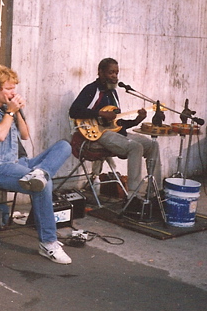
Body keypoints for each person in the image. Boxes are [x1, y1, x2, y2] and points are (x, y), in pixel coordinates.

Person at [0, 65, 73, 264]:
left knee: (64, 146)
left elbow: (25, 136)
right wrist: (9, 112)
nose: (13, 92)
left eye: (14, 87)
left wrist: (17, 112)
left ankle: (40, 174)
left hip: (23, 162)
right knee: (43, 186)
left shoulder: (8, 109)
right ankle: (48, 243)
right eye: (9, 88)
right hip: (2, 168)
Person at [69, 58, 162, 207]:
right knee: (135, 147)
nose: (114, 76)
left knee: (152, 145)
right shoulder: (92, 90)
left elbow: (117, 123)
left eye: (116, 72)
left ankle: (155, 193)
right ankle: (133, 197)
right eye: (111, 72)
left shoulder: (113, 93)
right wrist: (100, 113)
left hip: (114, 133)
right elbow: (74, 111)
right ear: (100, 72)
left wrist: (137, 120)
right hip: (97, 135)